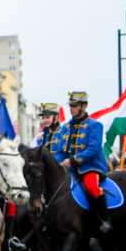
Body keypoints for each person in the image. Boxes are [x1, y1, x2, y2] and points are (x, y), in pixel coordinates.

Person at [49, 90, 111, 234]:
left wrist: (73, 160)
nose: (71, 108)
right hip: (70, 169)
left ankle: (104, 219)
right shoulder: (65, 128)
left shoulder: (95, 125)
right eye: (70, 105)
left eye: (75, 105)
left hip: (90, 166)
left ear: (83, 106)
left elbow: (94, 148)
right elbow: (60, 151)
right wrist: (55, 164)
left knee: (91, 186)